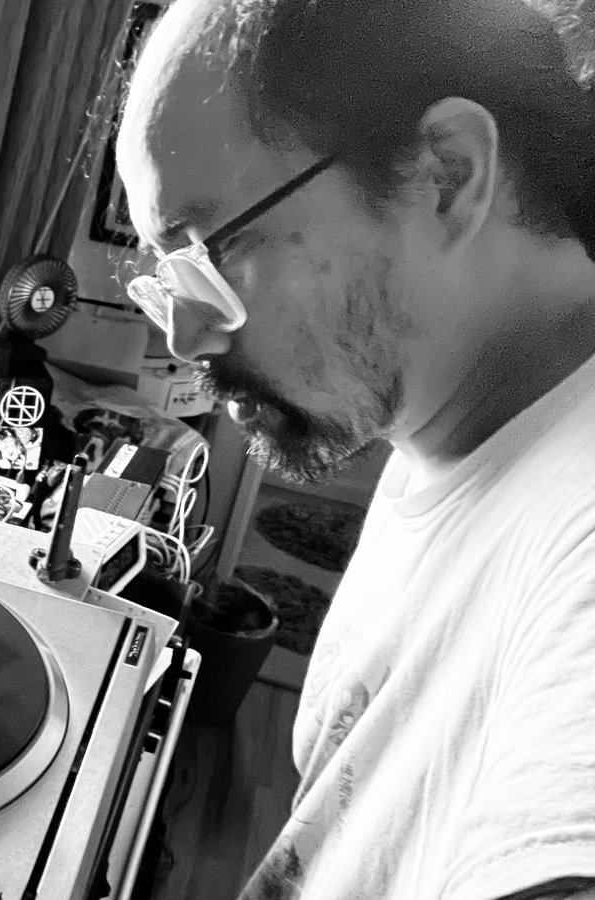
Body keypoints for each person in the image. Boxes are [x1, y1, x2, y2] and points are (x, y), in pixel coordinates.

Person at [115, 0, 595, 897]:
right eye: (168, 276)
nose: (185, 337)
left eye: (212, 250)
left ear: (445, 175)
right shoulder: (441, 425)